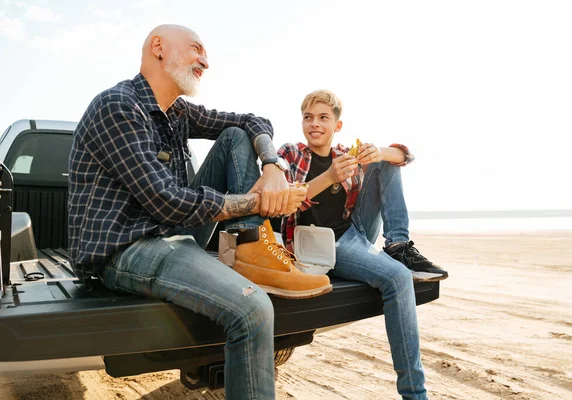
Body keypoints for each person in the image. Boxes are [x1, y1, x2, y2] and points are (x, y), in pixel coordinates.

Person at [68, 24, 330, 399]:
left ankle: (252, 247)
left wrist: (273, 165)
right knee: (253, 310)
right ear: (158, 48)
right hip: (126, 248)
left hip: (170, 232)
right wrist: (259, 202)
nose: (205, 61)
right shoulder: (117, 106)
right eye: (196, 49)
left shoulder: (176, 111)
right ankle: (251, 245)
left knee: (235, 137)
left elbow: (253, 120)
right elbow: (167, 202)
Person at [277, 89, 449, 399]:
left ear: (337, 125)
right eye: (308, 117)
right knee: (397, 278)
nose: (314, 124)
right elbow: (285, 203)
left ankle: (397, 245)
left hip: (355, 230)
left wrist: (379, 151)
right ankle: (415, 394)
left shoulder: (346, 153)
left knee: (384, 163)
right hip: (321, 245)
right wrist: (329, 176)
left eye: (323, 118)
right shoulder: (291, 153)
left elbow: (404, 156)